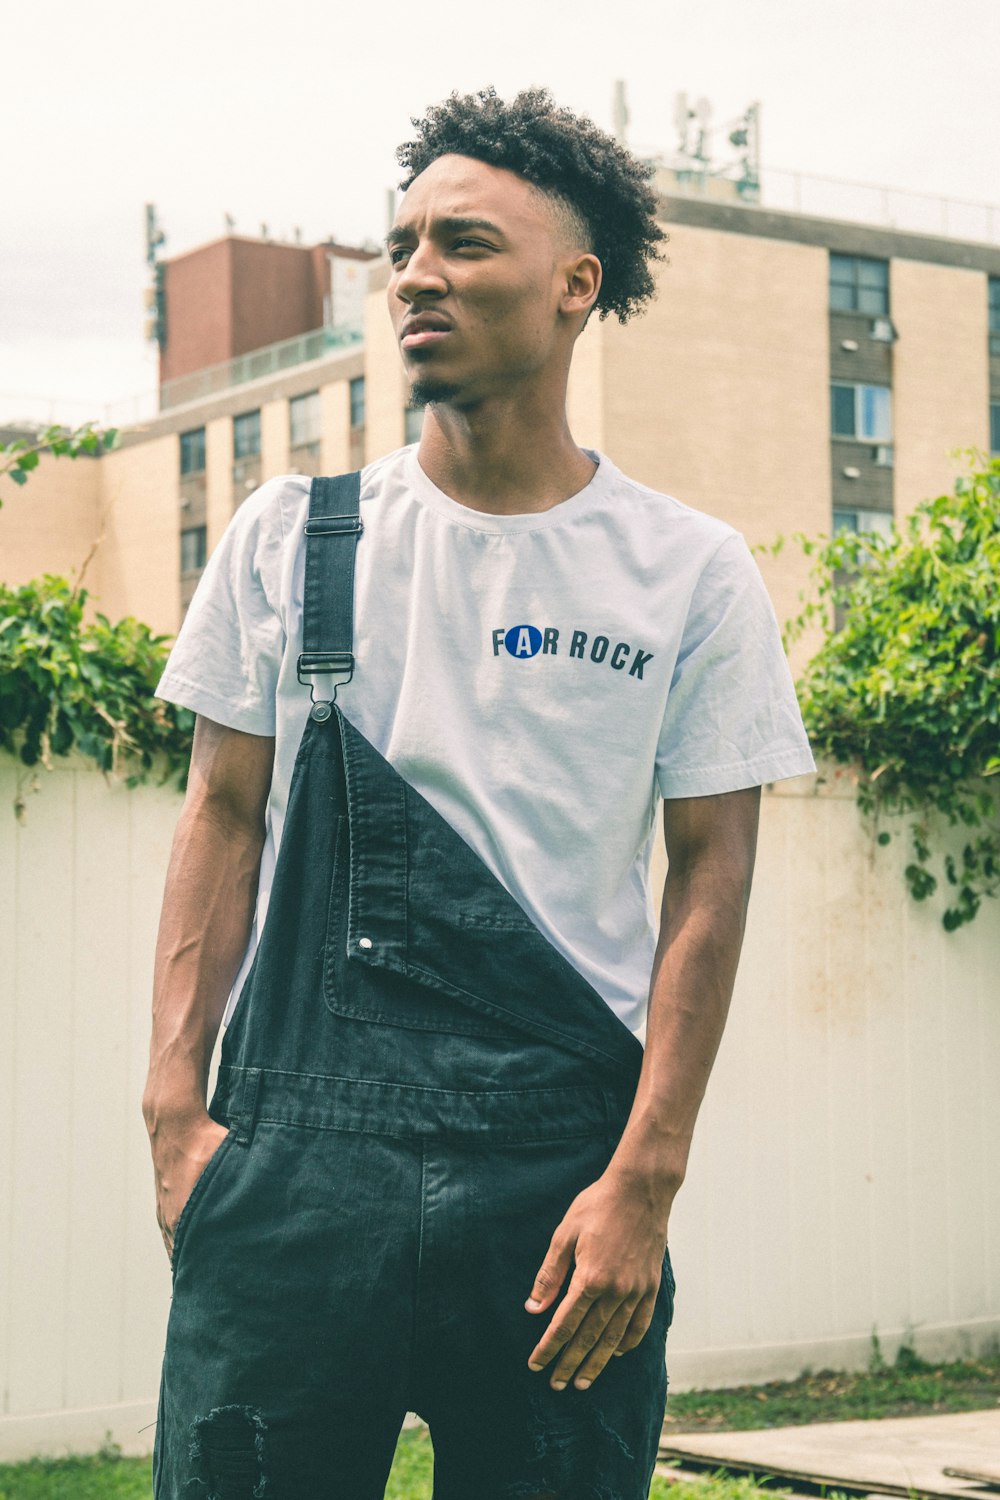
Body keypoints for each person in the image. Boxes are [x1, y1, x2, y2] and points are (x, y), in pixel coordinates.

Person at [143, 86, 816, 1500]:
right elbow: (219, 817)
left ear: (577, 286)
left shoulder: (686, 573)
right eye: (401, 246)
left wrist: (646, 1183)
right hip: (292, 1174)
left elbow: (713, 877)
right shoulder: (290, 540)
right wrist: (174, 1118)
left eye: (462, 241)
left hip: (560, 1187)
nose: (415, 276)